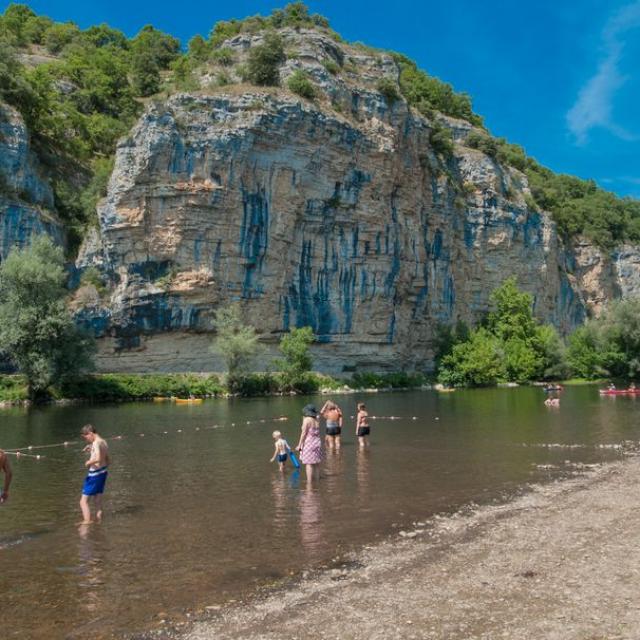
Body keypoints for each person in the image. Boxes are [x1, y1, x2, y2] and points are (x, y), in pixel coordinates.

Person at [79, 424, 110, 524]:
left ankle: (87, 522)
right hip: (103, 473)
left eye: (86, 437)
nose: (86, 439)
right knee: (97, 501)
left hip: (94, 475)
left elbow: (98, 459)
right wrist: (90, 448)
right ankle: (98, 521)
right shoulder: (104, 442)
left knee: (83, 502)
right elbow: (108, 460)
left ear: (91, 433)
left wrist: (88, 462)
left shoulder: (96, 443)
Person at [296, 404, 323, 484]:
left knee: (309, 464)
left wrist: (299, 445)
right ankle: (317, 481)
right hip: (317, 442)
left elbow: (304, 433)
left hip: (309, 443)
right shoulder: (317, 419)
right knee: (317, 463)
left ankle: (309, 484)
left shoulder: (307, 420)